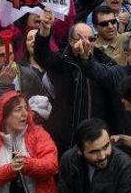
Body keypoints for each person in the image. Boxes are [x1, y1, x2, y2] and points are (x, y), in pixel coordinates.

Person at [33, 10, 116, 148]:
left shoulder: (105, 63)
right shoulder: (62, 60)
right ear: (71, 41)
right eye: (80, 38)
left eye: (90, 39)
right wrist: (44, 31)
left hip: (97, 136)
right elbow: (42, 56)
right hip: (66, 138)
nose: (86, 43)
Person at [56, 118, 131, 193]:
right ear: (80, 152)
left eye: (106, 146)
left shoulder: (124, 166)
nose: (102, 156)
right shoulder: (69, 160)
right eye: (94, 152)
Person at [0, 37, 47, 122]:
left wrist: (32, 116)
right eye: (1, 55)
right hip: (2, 133)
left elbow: (44, 101)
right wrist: (4, 85)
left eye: (10, 54)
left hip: (30, 127)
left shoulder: (27, 74)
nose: (7, 59)